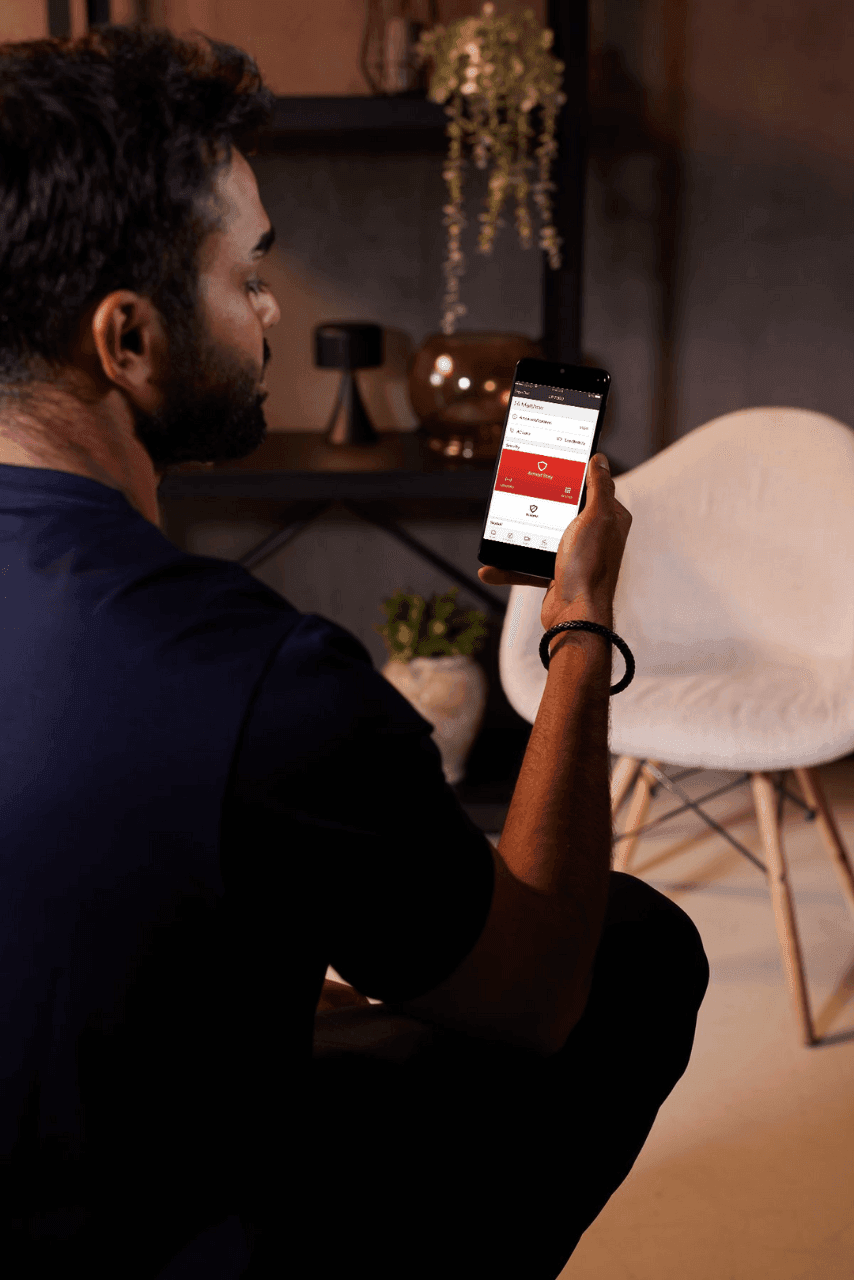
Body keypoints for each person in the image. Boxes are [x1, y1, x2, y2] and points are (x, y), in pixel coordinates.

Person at [0, 23, 709, 1280]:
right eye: (248, 271)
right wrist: (578, 621)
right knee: (637, 948)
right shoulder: (259, 679)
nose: (272, 309)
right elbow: (536, 987)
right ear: (129, 340)